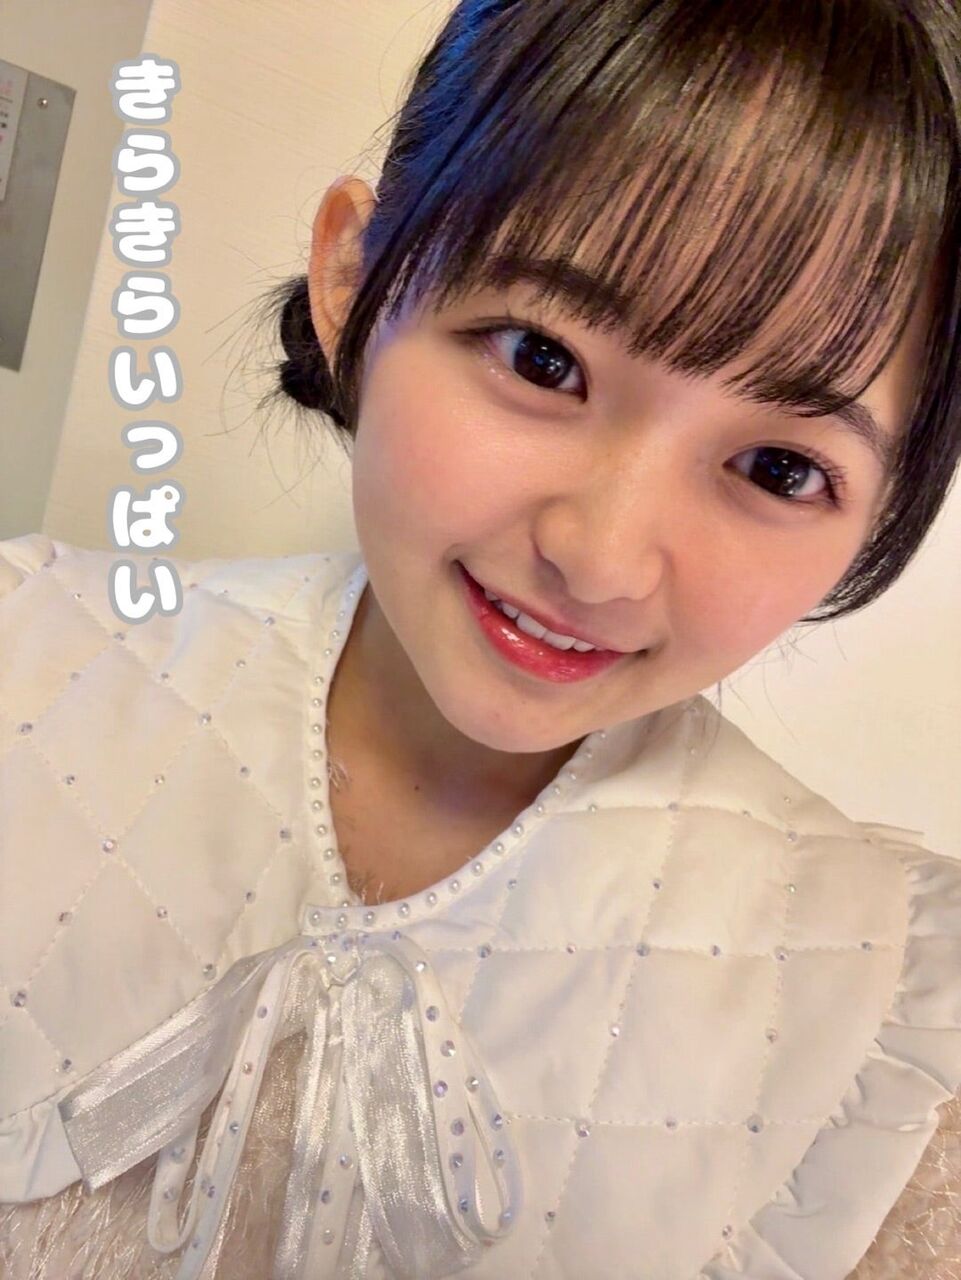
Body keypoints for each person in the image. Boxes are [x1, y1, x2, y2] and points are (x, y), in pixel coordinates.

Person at [1, 0, 960, 1275]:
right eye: (541, 358)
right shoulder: (26, 656)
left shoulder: (896, 1035)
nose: (600, 558)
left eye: (779, 467)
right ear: (353, 279)